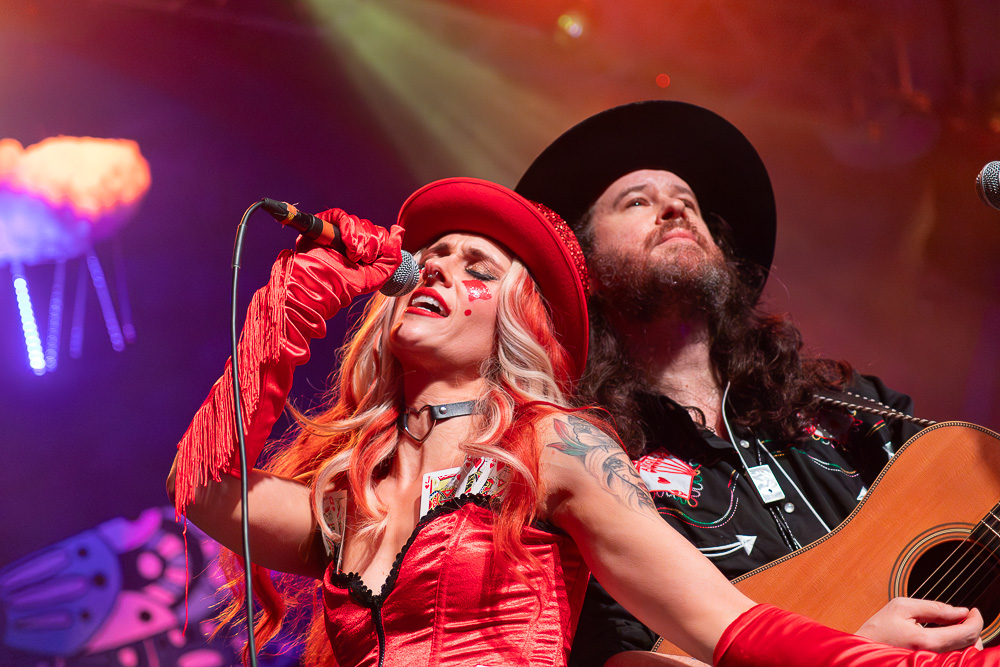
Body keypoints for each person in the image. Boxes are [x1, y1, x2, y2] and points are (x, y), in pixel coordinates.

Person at [168, 176, 996, 666]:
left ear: (514, 321)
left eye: (479, 268)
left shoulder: (553, 444)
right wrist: (283, 313)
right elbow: (204, 488)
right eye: (437, 258)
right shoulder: (355, 493)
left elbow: (726, 625)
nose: (445, 271)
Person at [515, 100, 988, 666]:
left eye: (688, 203)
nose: (674, 210)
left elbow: (969, 489)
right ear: (582, 265)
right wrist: (854, 655)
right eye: (637, 202)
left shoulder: (844, 404)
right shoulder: (581, 452)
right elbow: (610, 656)